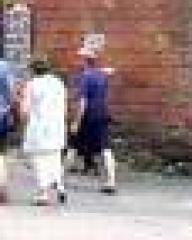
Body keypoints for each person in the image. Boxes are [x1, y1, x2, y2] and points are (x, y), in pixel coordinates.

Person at [21, 55, 66, 206]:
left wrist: (22, 117)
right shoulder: (58, 82)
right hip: (57, 125)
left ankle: (43, 193)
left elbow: (25, 110)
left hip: (39, 126)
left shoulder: (32, 84)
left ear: (33, 69)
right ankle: (60, 186)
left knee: (39, 159)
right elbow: (64, 105)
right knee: (54, 157)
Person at [72, 47, 116, 194]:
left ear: (84, 60)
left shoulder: (84, 77)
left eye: (79, 58)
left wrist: (76, 122)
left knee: (72, 146)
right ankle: (111, 182)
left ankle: (58, 181)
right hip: (102, 114)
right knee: (106, 149)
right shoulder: (101, 75)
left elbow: (83, 101)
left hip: (87, 117)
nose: (77, 60)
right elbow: (110, 71)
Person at [0, 57, 14, 204]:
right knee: (1, 154)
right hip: (1, 114)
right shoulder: (5, 66)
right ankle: (2, 189)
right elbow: (10, 92)